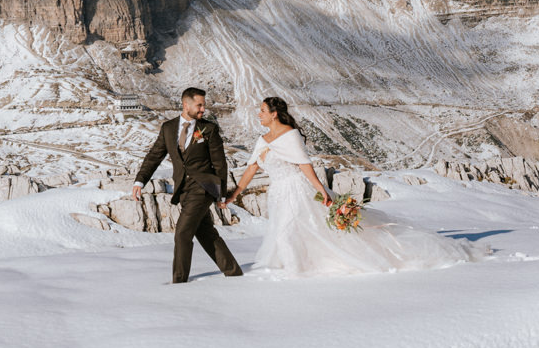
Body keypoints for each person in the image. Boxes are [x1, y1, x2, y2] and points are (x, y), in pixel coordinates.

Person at [223, 96, 480, 277]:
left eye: (262, 110)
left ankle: (296, 274)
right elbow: (251, 169)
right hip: (277, 193)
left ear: (274, 113)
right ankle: (297, 268)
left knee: (290, 232)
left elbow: (305, 166)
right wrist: (235, 194)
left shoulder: (290, 136)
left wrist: (322, 191)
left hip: (297, 189)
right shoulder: (262, 139)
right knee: (289, 232)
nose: (259, 114)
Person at [133, 87, 244, 283]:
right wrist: (140, 180)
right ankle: (234, 272)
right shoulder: (168, 128)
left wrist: (221, 195)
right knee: (206, 233)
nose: (203, 109)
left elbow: (220, 163)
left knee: (182, 233)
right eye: (199, 105)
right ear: (186, 105)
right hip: (182, 190)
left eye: (204, 105)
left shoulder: (209, 129)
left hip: (203, 189)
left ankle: (179, 282)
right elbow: (154, 156)